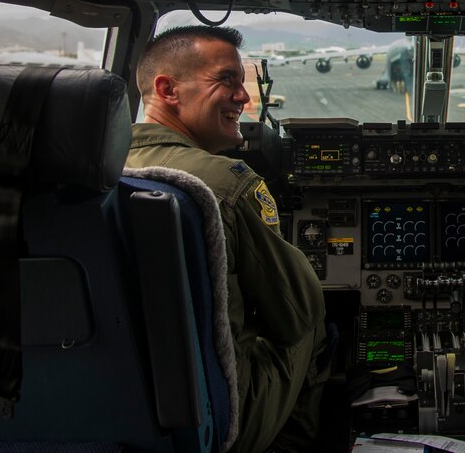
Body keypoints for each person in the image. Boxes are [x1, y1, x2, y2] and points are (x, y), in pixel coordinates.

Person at [127, 25, 328, 453]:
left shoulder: (92, 169)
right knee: (314, 325)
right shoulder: (225, 182)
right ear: (168, 89)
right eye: (226, 80)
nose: (244, 97)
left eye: (243, 81)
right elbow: (296, 310)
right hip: (216, 415)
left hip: (117, 402)